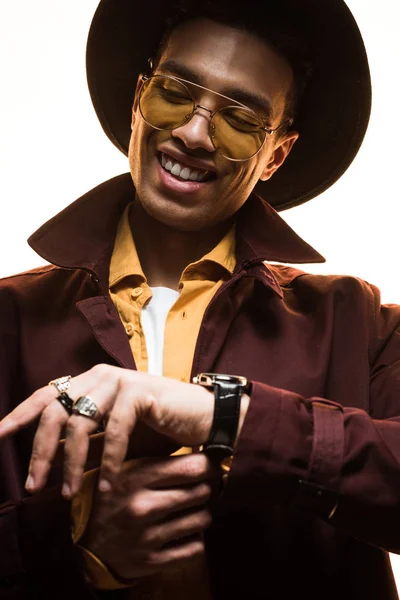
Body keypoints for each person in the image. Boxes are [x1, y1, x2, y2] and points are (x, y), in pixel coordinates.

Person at [1, 0, 399, 599]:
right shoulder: (8, 320)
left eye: (239, 118)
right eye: (174, 93)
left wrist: (226, 416)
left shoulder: (357, 321)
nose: (192, 133)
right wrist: (71, 539)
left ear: (277, 155)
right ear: (138, 99)